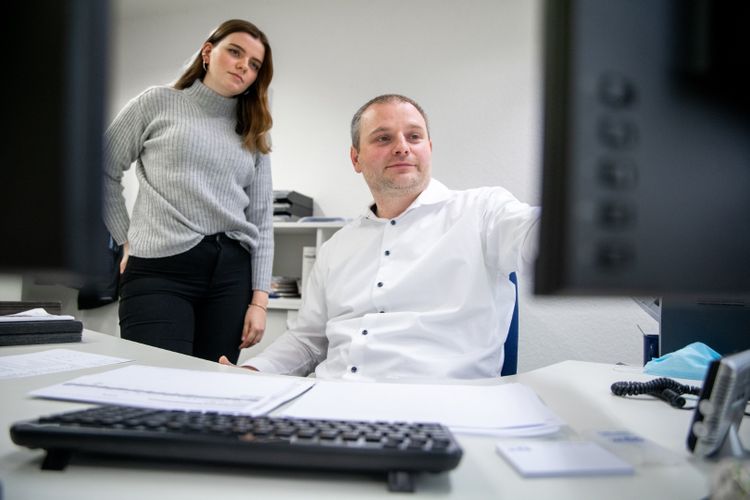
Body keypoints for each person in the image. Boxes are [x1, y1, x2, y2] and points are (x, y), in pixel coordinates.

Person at [222, 94, 539, 380]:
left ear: (429, 149)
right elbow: (308, 341)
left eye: (414, 136)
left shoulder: (484, 212)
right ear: (356, 159)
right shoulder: (336, 248)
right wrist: (251, 372)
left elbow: (539, 236)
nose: (402, 147)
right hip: (331, 403)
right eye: (383, 138)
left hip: (439, 408)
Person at [103, 19, 274, 363]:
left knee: (213, 386)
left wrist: (259, 302)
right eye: (235, 52)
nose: (244, 66)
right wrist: (125, 239)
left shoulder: (254, 130)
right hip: (160, 270)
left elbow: (261, 220)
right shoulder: (157, 102)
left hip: (230, 277)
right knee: (159, 381)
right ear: (208, 52)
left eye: (255, 64)